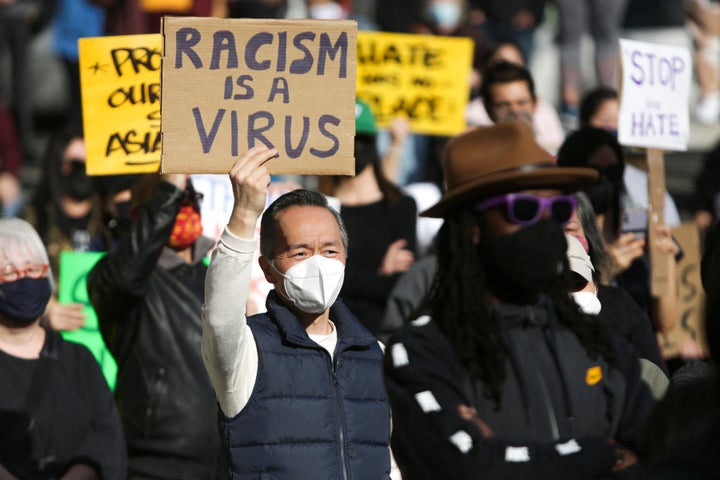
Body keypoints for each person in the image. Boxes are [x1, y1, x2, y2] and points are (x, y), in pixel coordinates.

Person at [383, 120, 655, 479]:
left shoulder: (599, 341)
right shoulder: (424, 350)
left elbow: (660, 454)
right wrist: (604, 453)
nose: (547, 225)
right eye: (524, 210)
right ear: (473, 227)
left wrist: (511, 456)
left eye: (558, 210)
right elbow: (471, 467)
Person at [201, 145, 397, 479]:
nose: (319, 263)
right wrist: (245, 215)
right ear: (268, 269)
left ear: (346, 259)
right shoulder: (247, 351)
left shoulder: (374, 354)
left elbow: (386, 458)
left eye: (330, 250)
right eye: (300, 252)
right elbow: (220, 318)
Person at [87, 174, 225, 479]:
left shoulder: (217, 278)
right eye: (174, 200)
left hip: (221, 460)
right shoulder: (113, 278)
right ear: (145, 215)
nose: (185, 209)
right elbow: (126, 275)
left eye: (191, 200)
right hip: (154, 461)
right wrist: (169, 186)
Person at [0, 217, 126, 480]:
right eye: (10, 272)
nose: (24, 279)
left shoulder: (79, 359)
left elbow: (107, 436)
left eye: (33, 269)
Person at [322, 99, 418, 338]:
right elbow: (316, 282)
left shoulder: (400, 206)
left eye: (361, 139)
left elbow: (397, 286)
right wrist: (377, 276)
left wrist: (342, 277)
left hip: (379, 337)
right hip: (322, 333)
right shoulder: (319, 205)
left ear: (374, 142)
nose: (354, 147)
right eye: (345, 139)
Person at [478, 60, 565, 153]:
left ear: (535, 103)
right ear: (487, 108)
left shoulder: (555, 157)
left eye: (521, 102)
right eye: (504, 104)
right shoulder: (478, 158)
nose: (514, 110)